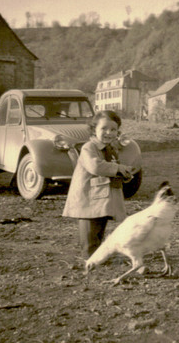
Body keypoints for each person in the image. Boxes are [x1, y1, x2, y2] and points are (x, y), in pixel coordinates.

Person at [63, 110, 134, 258]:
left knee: (99, 228)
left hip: (101, 198)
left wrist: (124, 174)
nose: (109, 132)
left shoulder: (111, 149)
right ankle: (89, 258)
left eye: (113, 129)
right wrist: (118, 169)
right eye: (104, 129)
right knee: (90, 231)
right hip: (89, 197)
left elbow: (112, 168)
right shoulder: (89, 147)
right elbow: (96, 167)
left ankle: (97, 256)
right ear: (94, 130)